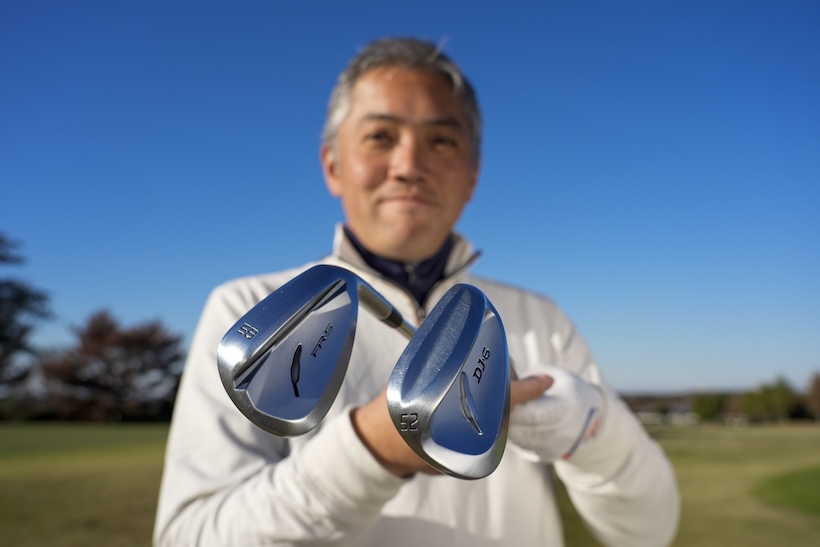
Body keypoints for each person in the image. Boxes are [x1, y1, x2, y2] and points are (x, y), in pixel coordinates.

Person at [154, 37, 679, 546]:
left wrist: (593, 432)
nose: (408, 167)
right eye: (380, 137)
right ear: (333, 165)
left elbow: (650, 534)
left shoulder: (541, 319)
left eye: (441, 141)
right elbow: (188, 537)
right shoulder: (243, 306)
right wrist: (372, 452)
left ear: (472, 176)